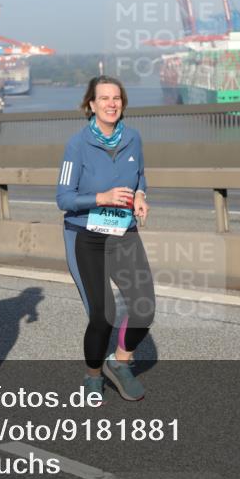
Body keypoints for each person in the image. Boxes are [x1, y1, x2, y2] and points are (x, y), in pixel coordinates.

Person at [56, 76, 155, 401]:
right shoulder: (77, 144)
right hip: (86, 237)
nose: (112, 104)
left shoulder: (133, 138)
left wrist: (140, 195)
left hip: (124, 233)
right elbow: (64, 198)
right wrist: (102, 197)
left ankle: (119, 362)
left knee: (144, 308)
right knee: (103, 315)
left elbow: (140, 177)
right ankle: (93, 374)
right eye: (104, 98)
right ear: (92, 105)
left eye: (117, 98)